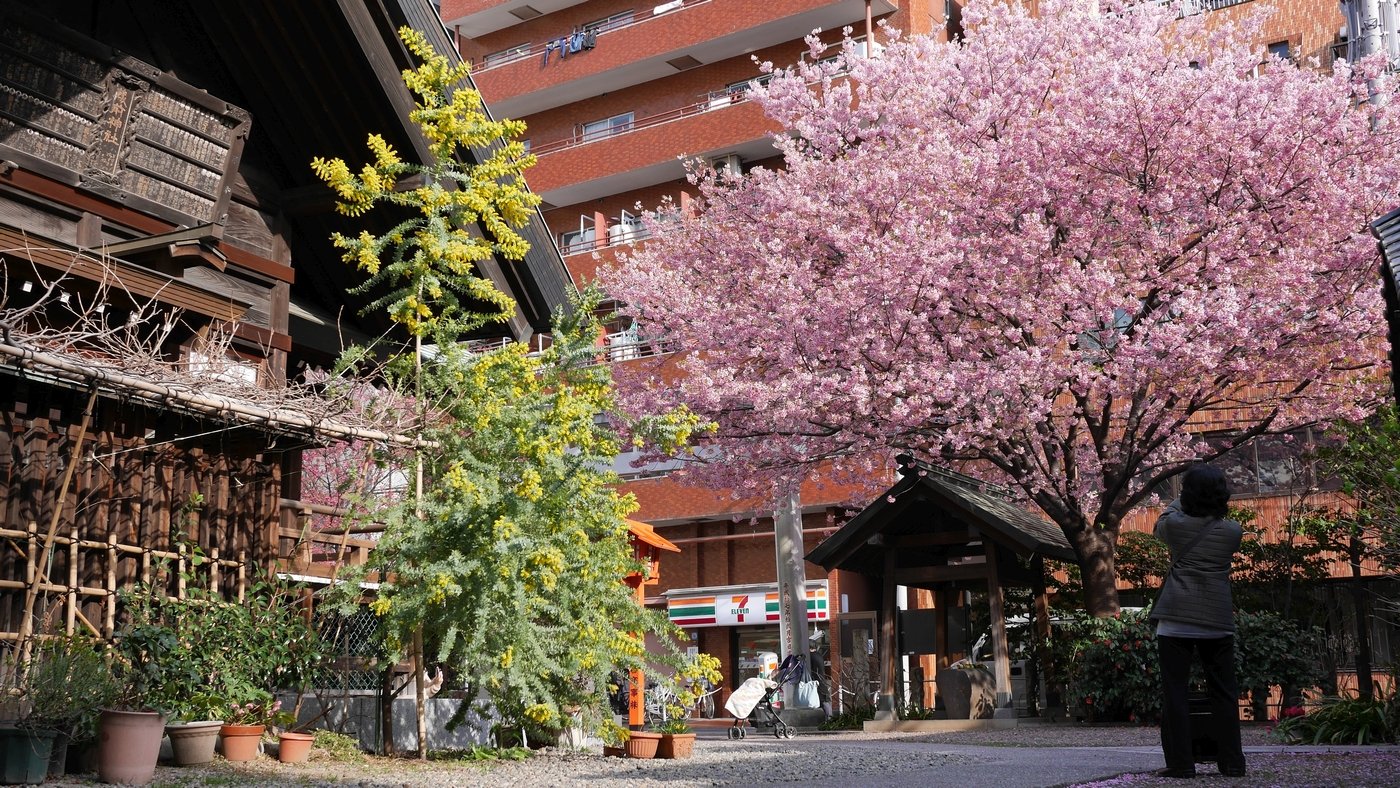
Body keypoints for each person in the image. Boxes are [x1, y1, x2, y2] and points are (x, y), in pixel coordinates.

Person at [1149, 464, 1247, 779]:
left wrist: (1182, 497)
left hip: (1176, 618)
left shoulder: (1175, 526)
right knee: (1224, 692)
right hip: (1217, 618)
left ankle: (1181, 763)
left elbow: (1162, 521)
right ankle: (1232, 762)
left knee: (1175, 692)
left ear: (1188, 494)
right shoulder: (1232, 532)